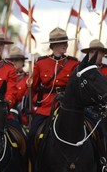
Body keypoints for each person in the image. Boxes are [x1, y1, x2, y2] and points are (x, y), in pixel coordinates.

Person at [28, 27, 79, 167]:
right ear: (54, 45)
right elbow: (34, 88)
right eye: (62, 42)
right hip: (46, 106)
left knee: (90, 129)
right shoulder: (41, 63)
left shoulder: (74, 63)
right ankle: (35, 164)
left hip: (67, 105)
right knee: (32, 135)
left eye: (66, 42)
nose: (66, 45)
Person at [81, 39, 107, 161]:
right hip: (85, 109)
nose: (95, 54)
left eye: (98, 52)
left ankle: (103, 159)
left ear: (103, 54)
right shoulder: (80, 70)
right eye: (92, 51)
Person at [5, 46, 29, 127]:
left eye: (17, 60)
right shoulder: (5, 78)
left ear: (22, 62)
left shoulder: (28, 79)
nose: (14, 63)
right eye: (12, 60)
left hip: (22, 115)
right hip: (5, 111)